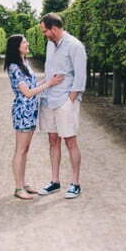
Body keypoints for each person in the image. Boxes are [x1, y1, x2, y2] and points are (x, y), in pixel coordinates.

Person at [5, 34, 64, 200]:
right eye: (24, 42)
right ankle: (18, 188)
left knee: (25, 150)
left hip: (30, 111)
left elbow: (32, 86)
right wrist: (49, 84)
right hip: (23, 112)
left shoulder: (24, 63)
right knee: (21, 150)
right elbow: (28, 92)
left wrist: (48, 79)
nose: (27, 43)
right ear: (16, 47)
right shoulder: (14, 67)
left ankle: (22, 184)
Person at [36, 13, 87, 199]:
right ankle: (55, 181)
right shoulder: (50, 44)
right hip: (49, 99)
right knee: (53, 140)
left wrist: (71, 99)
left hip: (65, 100)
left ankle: (75, 183)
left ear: (54, 29)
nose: (44, 34)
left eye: (45, 31)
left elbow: (81, 76)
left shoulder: (75, 46)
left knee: (70, 142)